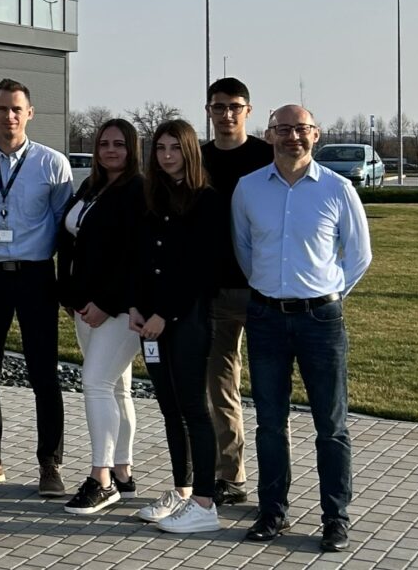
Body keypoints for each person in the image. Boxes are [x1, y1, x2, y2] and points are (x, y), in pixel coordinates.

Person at [234, 104, 372, 553]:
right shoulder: (248, 188)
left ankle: (335, 518)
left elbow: (359, 255)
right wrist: (271, 289)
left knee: (331, 425)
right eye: (283, 129)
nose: (292, 136)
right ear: (269, 134)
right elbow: (244, 249)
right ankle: (272, 512)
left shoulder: (338, 188)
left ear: (316, 134)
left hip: (321, 322)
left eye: (301, 129)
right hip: (266, 318)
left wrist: (328, 294)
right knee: (269, 423)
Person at [0, 78, 74, 497]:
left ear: (30, 114)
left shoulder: (53, 165)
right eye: (2, 108)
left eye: (16, 109)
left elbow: (64, 227)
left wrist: (63, 283)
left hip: (36, 277)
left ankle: (50, 464)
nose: (9, 116)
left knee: (44, 374)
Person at [130, 118, 228, 534]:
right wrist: (136, 306)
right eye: (160, 148)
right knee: (169, 407)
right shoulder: (151, 196)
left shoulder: (206, 201)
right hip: (149, 320)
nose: (167, 156)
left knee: (193, 408)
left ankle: (205, 502)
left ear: (189, 151)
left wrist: (164, 314)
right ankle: (183, 490)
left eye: (174, 148)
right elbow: (139, 258)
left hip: (186, 318)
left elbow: (200, 270)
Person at [53, 119, 141, 516]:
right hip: (85, 306)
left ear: (132, 149)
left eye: (119, 144)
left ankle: (101, 479)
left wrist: (105, 302)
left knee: (96, 383)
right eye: (103, 143)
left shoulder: (138, 191)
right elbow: (71, 243)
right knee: (117, 388)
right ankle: (123, 471)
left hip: (119, 309)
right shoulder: (91, 186)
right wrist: (71, 295)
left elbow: (133, 257)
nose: (110, 150)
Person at [200, 76, 273, 507]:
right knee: (221, 386)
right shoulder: (199, 158)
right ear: (208, 111)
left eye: (234, 106)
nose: (226, 114)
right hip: (215, 291)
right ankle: (231, 475)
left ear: (248, 111)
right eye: (219, 106)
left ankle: (275, 486)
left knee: (270, 390)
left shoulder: (267, 156)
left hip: (262, 289)